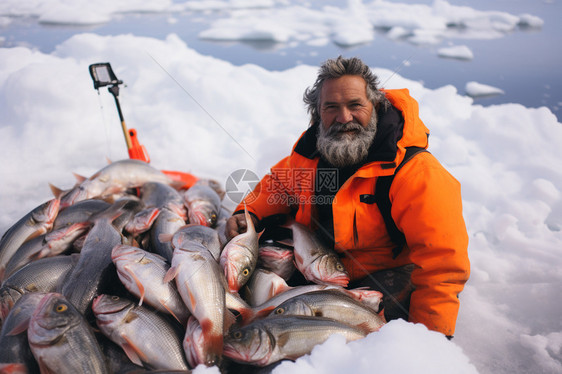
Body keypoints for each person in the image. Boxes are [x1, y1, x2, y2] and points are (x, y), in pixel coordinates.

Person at [225, 56, 470, 337]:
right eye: (331, 107)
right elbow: (279, 185)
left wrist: (431, 338)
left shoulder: (415, 172)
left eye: (355, 105)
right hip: (320, 265)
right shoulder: (313, 153)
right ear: (317, 114)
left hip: (382, 277)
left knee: (362, 334)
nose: (344, 118)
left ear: (375, 106)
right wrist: (248, 212)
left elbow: (442, 264)